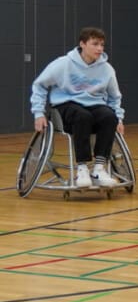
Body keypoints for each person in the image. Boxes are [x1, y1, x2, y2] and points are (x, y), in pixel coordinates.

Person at [30, 27, 124, 188]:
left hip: (94, 105)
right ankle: (82, 168)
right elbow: (39, 86)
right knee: (82, 116)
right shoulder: (63, 64)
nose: (100, 49)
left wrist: (119, 119)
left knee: (109, 117)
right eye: (95, 44)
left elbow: (115, 97)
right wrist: (39, 113)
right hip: (66, 106)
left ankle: (99, 169)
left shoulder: (107, 69)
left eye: (102, 45)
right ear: (82, 44)